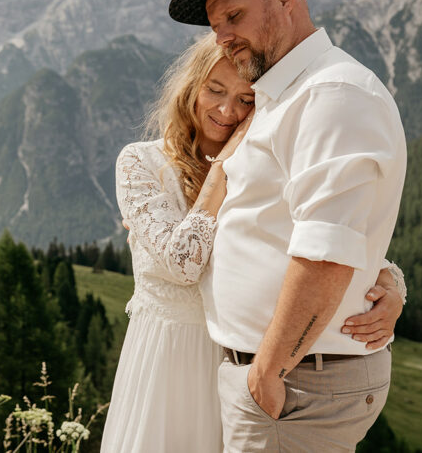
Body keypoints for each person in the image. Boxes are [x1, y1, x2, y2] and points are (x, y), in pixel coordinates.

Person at [100, 32, 406, 452]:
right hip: (166, 358)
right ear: (191, 87)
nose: (227, 110)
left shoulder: (263, 163)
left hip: (241, 359)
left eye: (246, 100)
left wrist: (390, 283)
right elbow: (184, 264)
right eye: (215, 90)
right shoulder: (141, 162)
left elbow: (323, 234)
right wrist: (222, 170)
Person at [168, 0, 408, 451]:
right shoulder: (287, 93)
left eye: (234, 15)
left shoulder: (330, 92)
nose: (224, 37)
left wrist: (268, 372)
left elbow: (327, 253)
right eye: (215, 26)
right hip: (288, 378)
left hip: (296, 382)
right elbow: (283, 221)